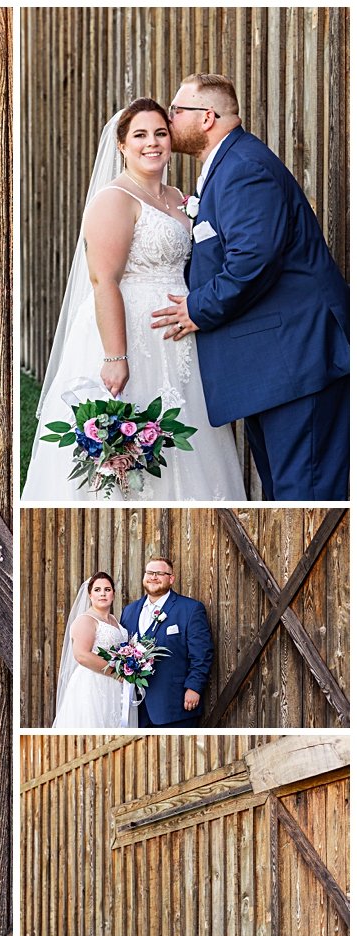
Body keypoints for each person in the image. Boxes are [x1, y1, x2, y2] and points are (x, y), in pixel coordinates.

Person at [23, 99, 245, 503]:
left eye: (161, 133)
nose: (152, 143)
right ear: (121, 145)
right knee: (127, 431)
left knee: (186, 431)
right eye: (140, 135)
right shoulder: (114, 199)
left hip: (179, 335)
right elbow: (102, 279)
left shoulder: (181, 198)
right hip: (128, 335)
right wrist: (115, 356)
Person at [151, 74, 350, 502]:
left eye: (175, 111)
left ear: (207, 118)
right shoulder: (227, 165)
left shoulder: (244, 168)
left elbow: (253, 260)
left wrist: (195, 308)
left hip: (298, 358)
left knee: (307, 494)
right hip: (274, 364)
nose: (169, 119)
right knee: (285, 491)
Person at [130, 554, 214, 727]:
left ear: (171, 579)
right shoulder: (129, 611)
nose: (154, 577)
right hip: (137, 707)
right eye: (150, 572)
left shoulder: (190, 609)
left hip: (176, 703)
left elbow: (201, 653)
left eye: (160, 573)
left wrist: (194, 688)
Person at [53, 570, 138, 728]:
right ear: (90, 595)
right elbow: (81, 655)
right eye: (97, 590)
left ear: (113, 593)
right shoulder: (86, 620)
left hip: (115, 686)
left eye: (107, 589)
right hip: (93, 683)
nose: (103, 594)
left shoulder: (113, 619)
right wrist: (117, 673)